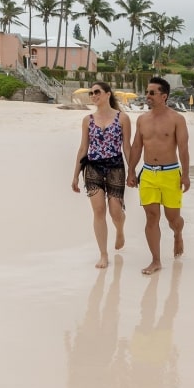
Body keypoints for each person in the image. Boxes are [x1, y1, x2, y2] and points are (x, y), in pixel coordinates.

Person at [126, 77, 190, 275]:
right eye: (147, 92)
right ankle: (156, 260)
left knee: (173, 219)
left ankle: (178, 233)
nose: (148, 96)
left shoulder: (177, 119)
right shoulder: (142, 119)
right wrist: (130, 171)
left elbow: (183, 149)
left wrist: (185, 175)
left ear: (164, 96)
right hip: (148, 174)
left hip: (170, 174)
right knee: (151, 217)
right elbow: (137, 146)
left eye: (152, 93)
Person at [72, 81, 132, 268]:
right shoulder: (87, 120)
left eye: (97, 92)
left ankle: (120, 230)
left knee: (115, 212)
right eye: (91, 93)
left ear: (107, 94)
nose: (93, 96)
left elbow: (127, 147)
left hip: (115, 166)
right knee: (98, 211)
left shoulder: (122, 118)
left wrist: (132, 171)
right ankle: (103, 254)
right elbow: (83, 148)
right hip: (93, 168)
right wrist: (75, 175)